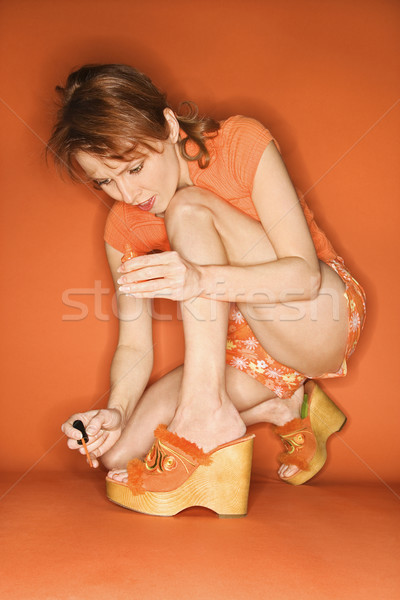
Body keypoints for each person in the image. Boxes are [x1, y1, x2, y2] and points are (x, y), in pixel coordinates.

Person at [48, 64, 366, 515]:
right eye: (105, 181)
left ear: (170, 126)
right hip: (246, 348)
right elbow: (134, 346)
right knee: (117, 455)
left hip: (316, 313)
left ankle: (208, 414)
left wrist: (201, 280)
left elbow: (305, 276)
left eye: (135, 166)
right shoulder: (123, 229)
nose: (127, 192)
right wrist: (116, 411)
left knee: (188, 207)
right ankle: (287, 406)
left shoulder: (238, 143)